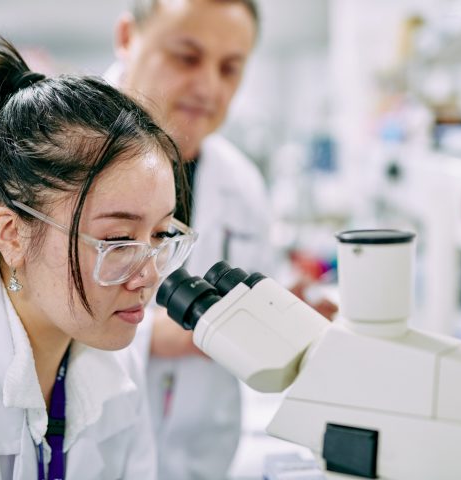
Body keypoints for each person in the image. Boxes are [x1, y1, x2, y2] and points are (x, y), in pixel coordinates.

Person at [0, 37, 197, 479]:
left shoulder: (118, 366)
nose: (148, 275)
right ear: (12, 235)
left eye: (160, 234)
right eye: (119, 240)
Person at [108, 1, 338, 478]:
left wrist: (289, 311)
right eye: (186, 57)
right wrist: (172, 335)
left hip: (203, 458)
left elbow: (261, 294)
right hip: (94, 450)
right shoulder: (61, 163)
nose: (209, 87)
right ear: (128, 37)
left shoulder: (242, 183)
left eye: (230, 68)